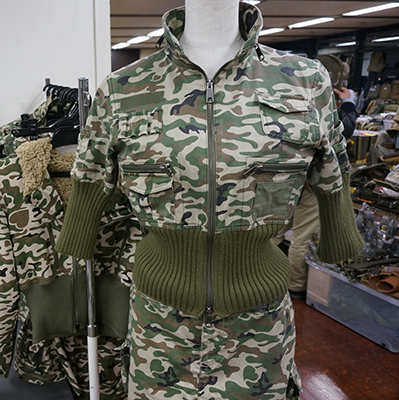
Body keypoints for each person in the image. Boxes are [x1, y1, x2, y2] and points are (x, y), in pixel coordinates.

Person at [55, 0, 364, 399]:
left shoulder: (304, 79)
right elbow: (91, 169)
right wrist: (77, 237)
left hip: (260, 324)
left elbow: (333, 158)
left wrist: (340, 233)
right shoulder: (123, 87)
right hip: (160, 324)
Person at [275, 84, 359, 299]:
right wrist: (349, 103)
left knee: (276, 229)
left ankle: (264, 271)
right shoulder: (317, 105)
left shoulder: (283, 102)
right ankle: (296, 285)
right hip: (312, 179)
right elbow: (343, 130)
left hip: (287, 176)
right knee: (303, 236)